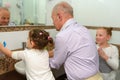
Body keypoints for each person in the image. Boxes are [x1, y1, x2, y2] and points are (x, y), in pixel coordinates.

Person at [49, 1, 103, 80]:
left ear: (59, 17)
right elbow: (72, 49)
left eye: (52, 19)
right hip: (97, 76)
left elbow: (55, 64)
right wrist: (49, 53)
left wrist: (37, 58)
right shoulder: (83, 29)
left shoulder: (63, 36)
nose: (52, 22)